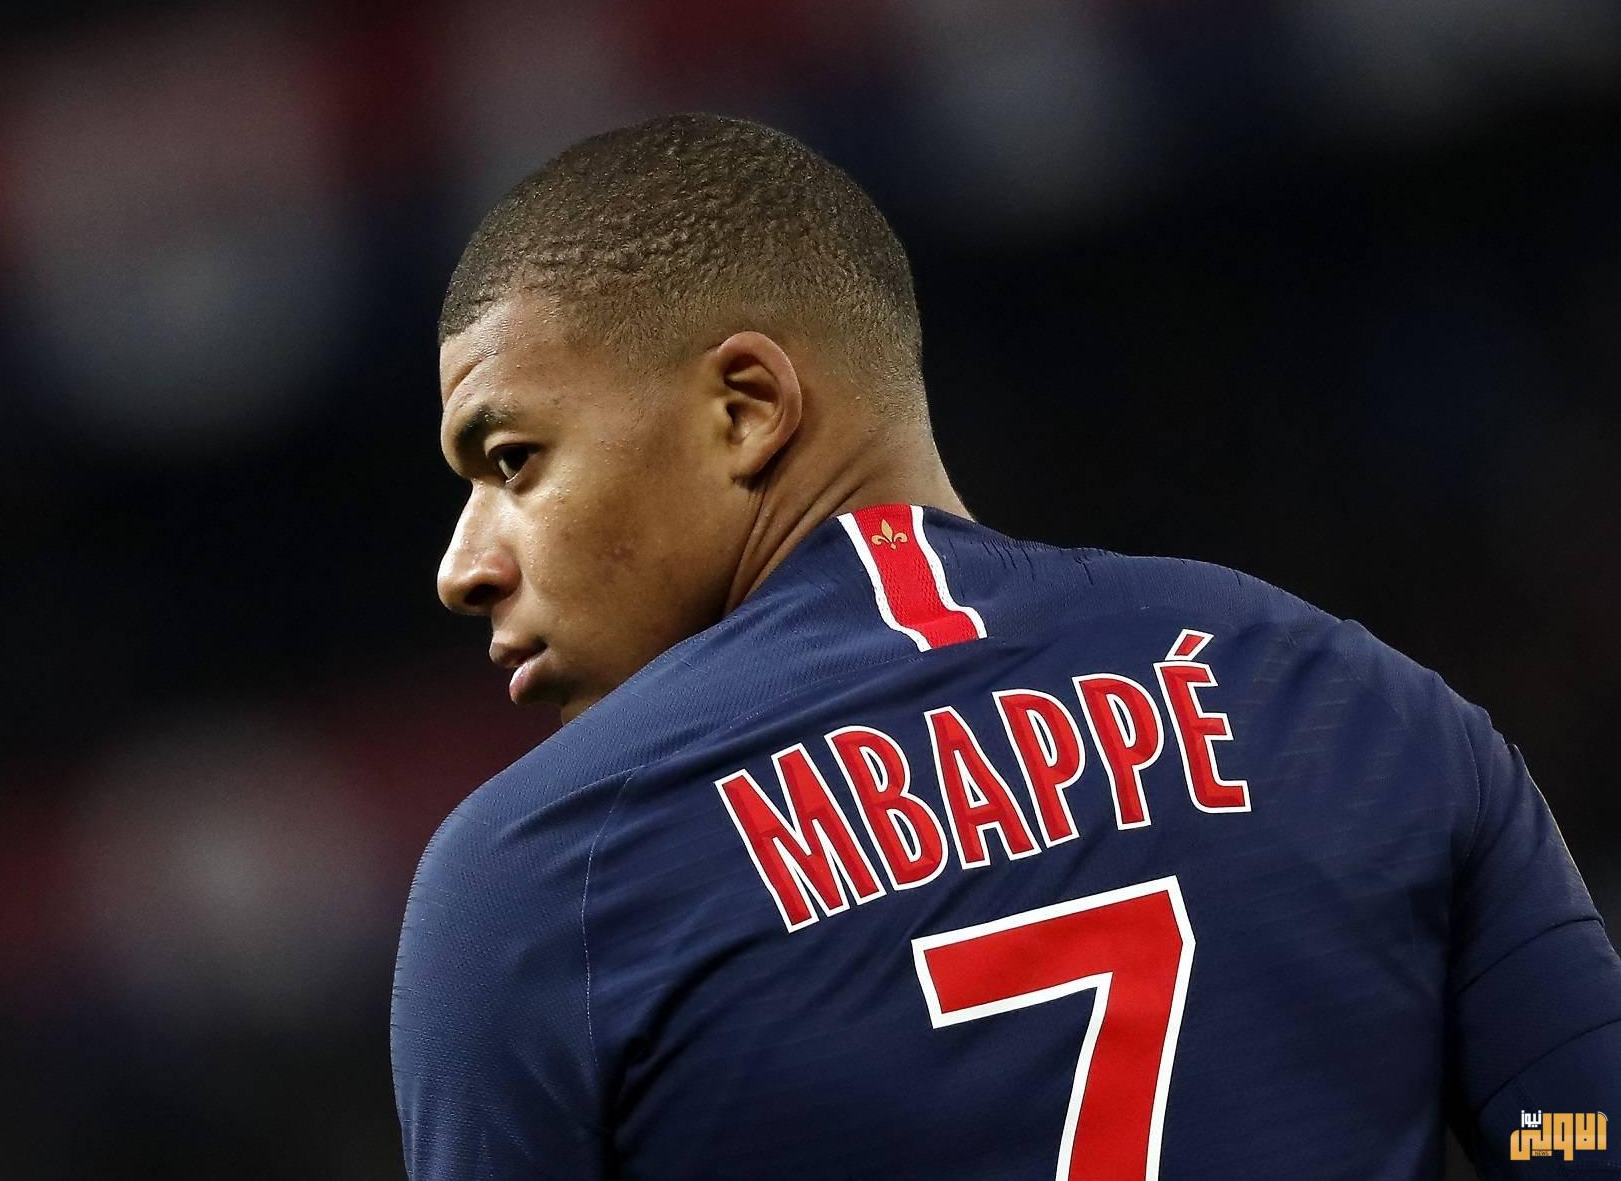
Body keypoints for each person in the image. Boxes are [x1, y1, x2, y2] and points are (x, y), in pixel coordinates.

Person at [390, 114, 1621, 1179]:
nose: (462, 565)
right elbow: (1578, 1131)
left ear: (746, 409)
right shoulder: (1357, 700)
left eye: (512, 461)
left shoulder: (538, 887)